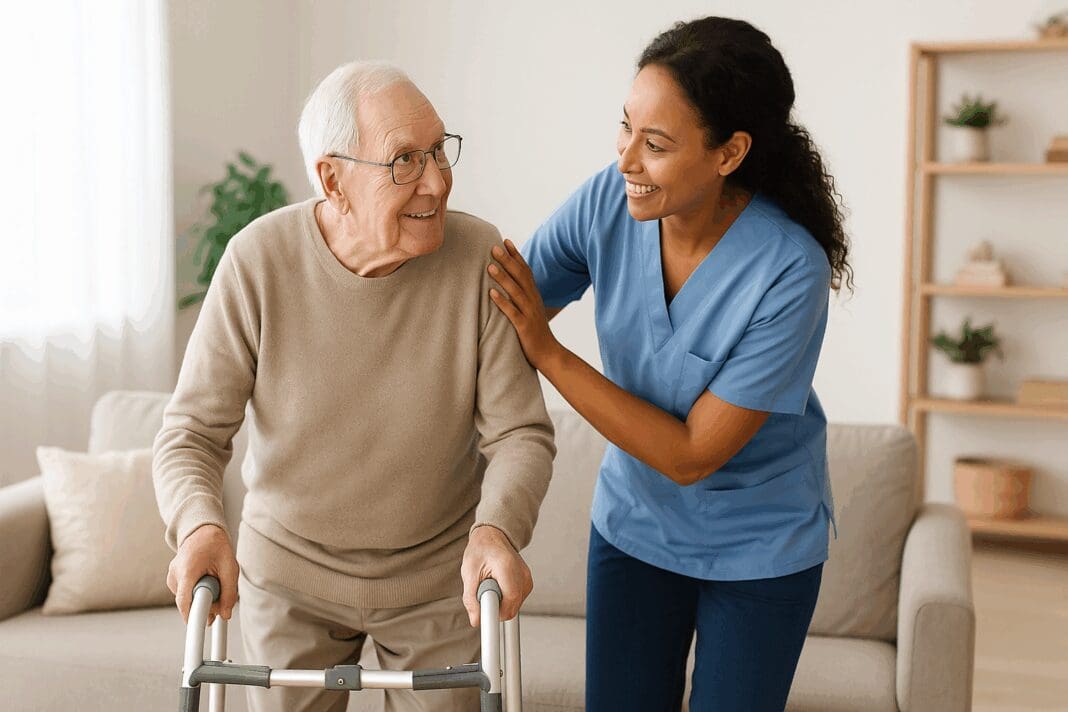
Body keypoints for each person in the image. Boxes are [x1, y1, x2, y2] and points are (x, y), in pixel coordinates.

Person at [153, 60, 555, 712]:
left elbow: (521, 434)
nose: (436, 181)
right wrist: (198, 526)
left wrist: (497, 529)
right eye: (405, 161)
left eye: (438, 150)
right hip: (288, 574)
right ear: (333, 180)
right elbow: (190, 433)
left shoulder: (478, 258)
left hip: (438, 579)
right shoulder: (258, 261)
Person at [486, 16, 851, 712]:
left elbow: (690, 455)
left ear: (729, 152)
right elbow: (500, 313)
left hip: (758, 547)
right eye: (625, 128)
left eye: (654, 145)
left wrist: (549, 354)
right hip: (635, 527)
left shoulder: (788, 269)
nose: (626, 159)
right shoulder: (608, 200)